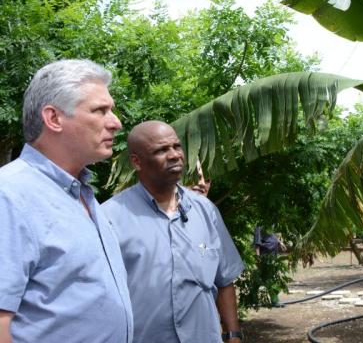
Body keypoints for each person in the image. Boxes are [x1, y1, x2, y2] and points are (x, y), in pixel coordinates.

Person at [0, 59, 133, 343]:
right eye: (100, 110)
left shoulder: (80, 194)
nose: (116, 122)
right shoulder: (9, 195)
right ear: (54, 118)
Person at [103, 121, 244, 343]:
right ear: (137, 162)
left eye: (177, 147)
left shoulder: (205, 210)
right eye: (161, 150)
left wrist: (233, 335)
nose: (174, 155)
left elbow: (224, 280)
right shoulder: (110, 218)